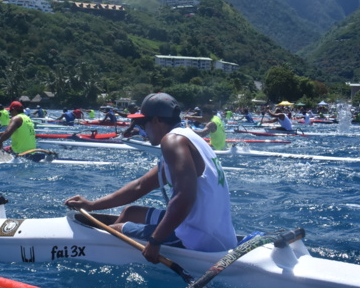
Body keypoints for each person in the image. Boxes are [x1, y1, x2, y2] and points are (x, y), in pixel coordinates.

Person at [64, 93, 237, 264]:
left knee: (115, 230)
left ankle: (97, 263)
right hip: (216, 232)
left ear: (156, 120)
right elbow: (140, 186)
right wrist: (92, 205)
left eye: (141, 122)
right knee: (130, 213)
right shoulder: (188, 136)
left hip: (199, 240)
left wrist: (155, 240)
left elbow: (184, 197)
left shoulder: (172, 141)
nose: (141, 129)